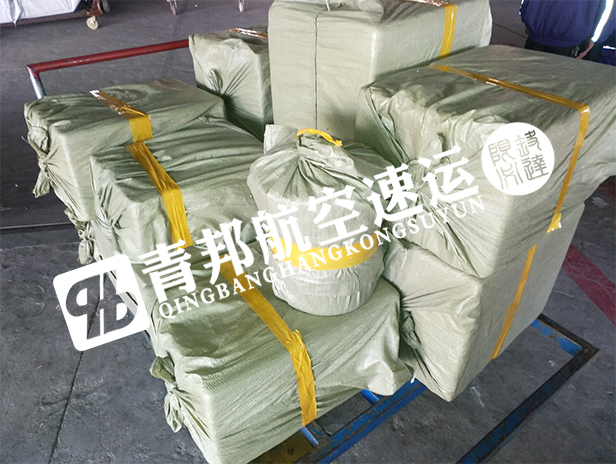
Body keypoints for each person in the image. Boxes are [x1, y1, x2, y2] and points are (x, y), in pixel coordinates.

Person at [520, 0, 614, 60]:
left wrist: (527, 15)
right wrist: (595, 38)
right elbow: (608, 8)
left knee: (525, 79)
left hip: (538, 32)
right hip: (569, 40)